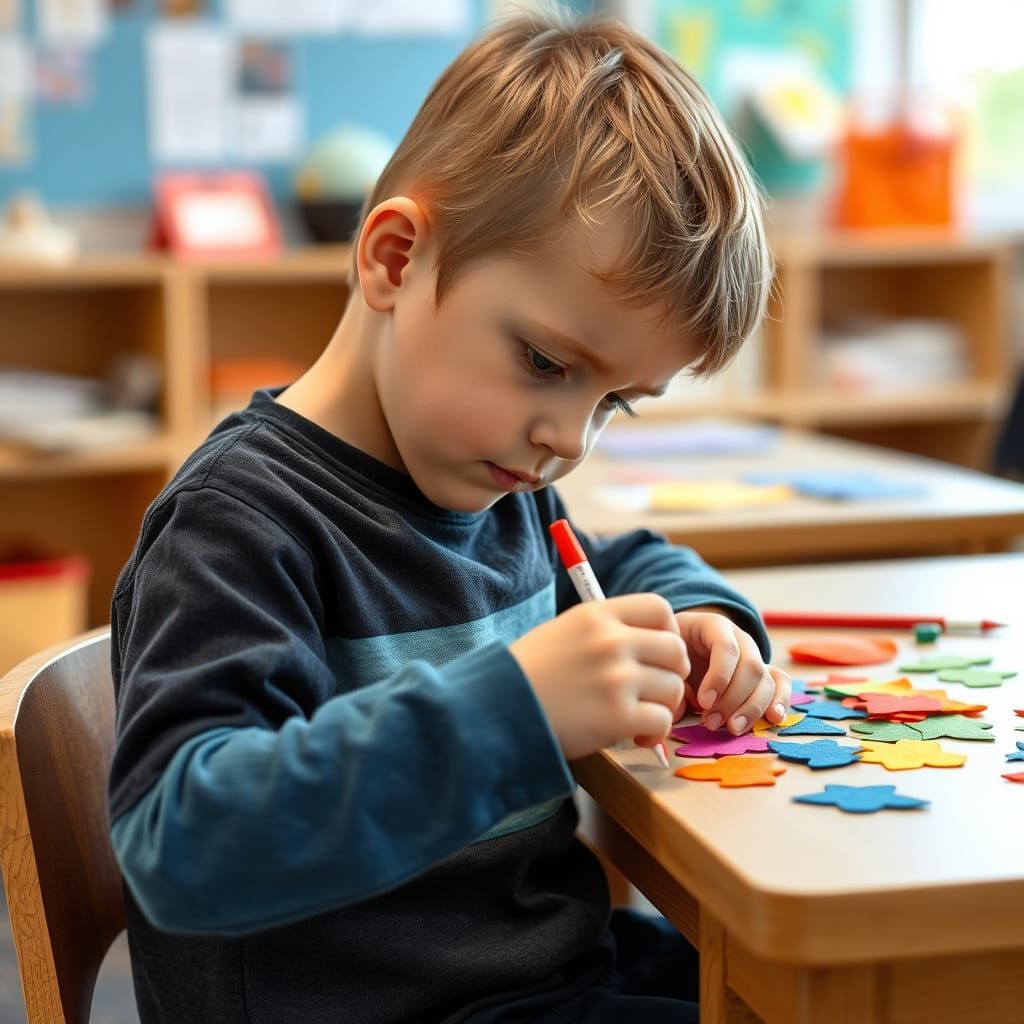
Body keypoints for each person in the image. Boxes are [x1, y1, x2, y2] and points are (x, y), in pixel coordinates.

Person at [108, 9, 789, 1023]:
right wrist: (514, 710)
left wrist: (702, 625)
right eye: (547, 364)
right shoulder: (239, 523)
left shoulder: (503, 485)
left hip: (534, 974)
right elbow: (182, 842)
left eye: (612, 400)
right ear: (392, 260)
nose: (568, 437)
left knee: (826, 991)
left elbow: (628, 560)